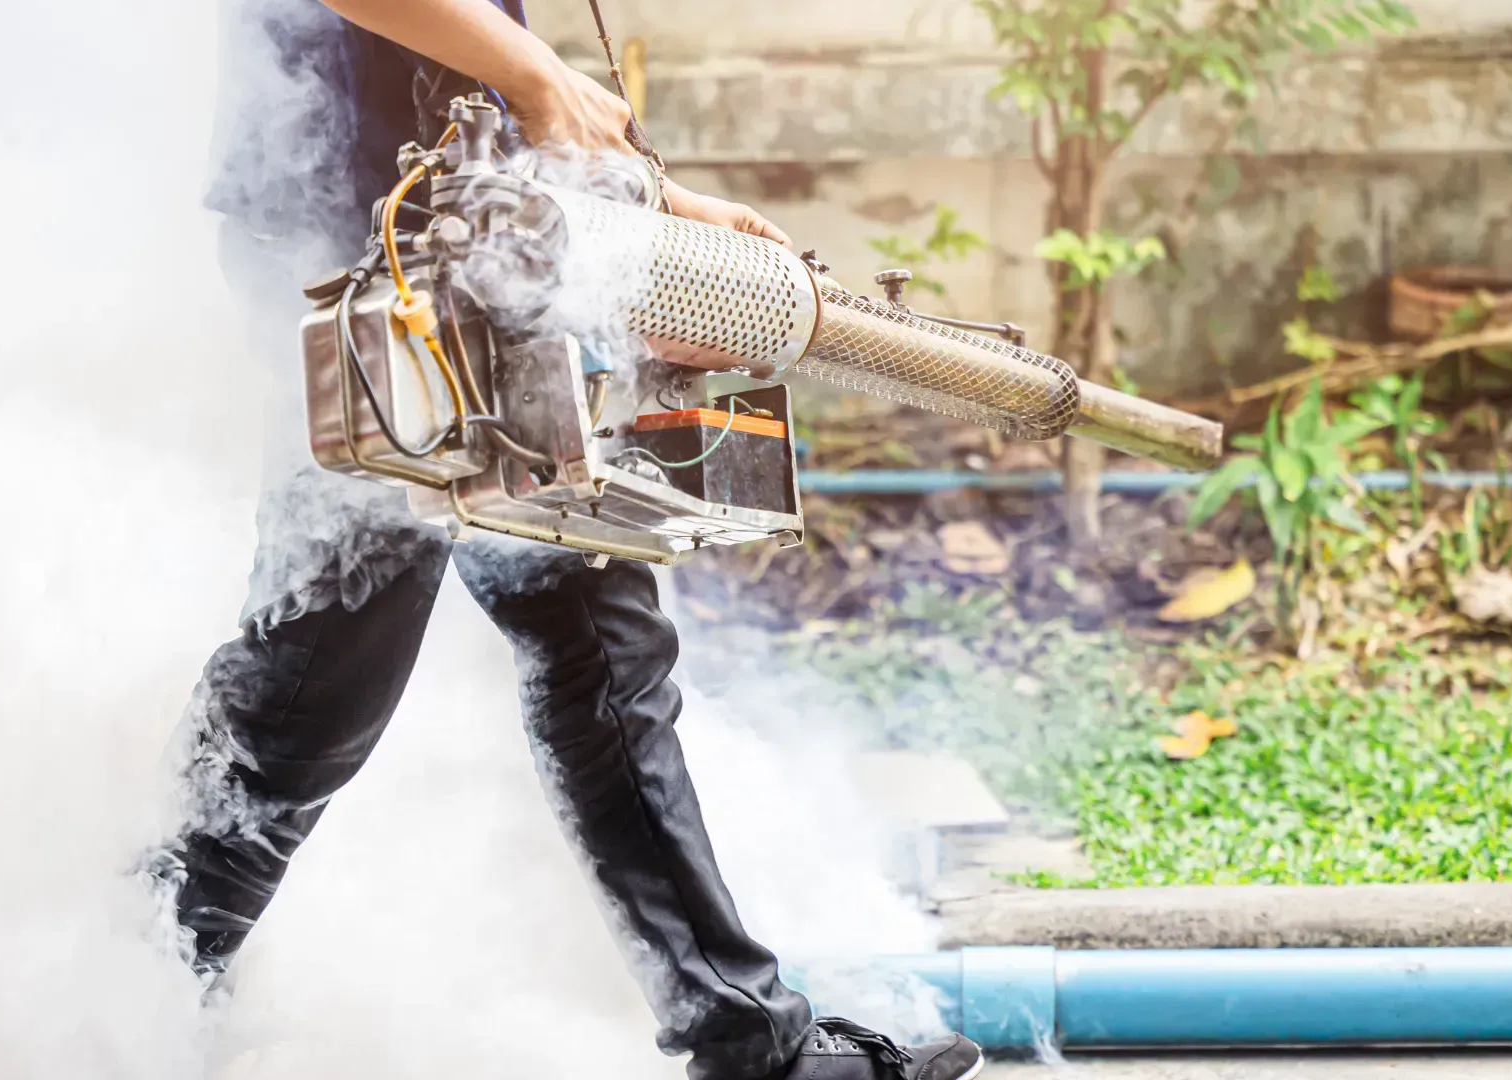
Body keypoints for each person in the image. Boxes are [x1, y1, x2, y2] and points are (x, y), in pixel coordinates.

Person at [149, 2, 985, 1080]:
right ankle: (118, 1002)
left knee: (601, 636)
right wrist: (539, 77)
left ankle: (749, 1038)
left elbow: (480, 76)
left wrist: (656, 201)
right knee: (323, 671)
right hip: (355, 248)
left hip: (471, 250)